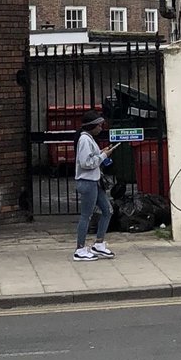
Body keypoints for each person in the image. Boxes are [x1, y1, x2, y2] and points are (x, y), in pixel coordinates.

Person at [73, 111, 118, 261]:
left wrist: (101, 152)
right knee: (86, 215)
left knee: (107, 210)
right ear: (91, 126)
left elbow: (91, 157)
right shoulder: (84, 139)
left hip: (95, 181)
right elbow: (86, 163)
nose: (101, 127)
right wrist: (104, 155)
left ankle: (98, 244)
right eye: (99, 124)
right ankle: (80, 249)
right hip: (87, 182)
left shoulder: (89, 139)